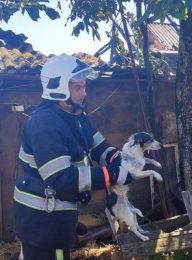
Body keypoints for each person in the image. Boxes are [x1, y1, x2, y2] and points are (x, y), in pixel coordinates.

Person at [13, 54, 132, 260]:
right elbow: (63, 179)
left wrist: (121, 160)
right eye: (78, 87)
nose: (84, 93)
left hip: (55, 218)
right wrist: (113, 176)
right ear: (57, 88)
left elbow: (98, 146)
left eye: (84, 86)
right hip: (42, 225)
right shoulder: (44, 125)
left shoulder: (76, 116)